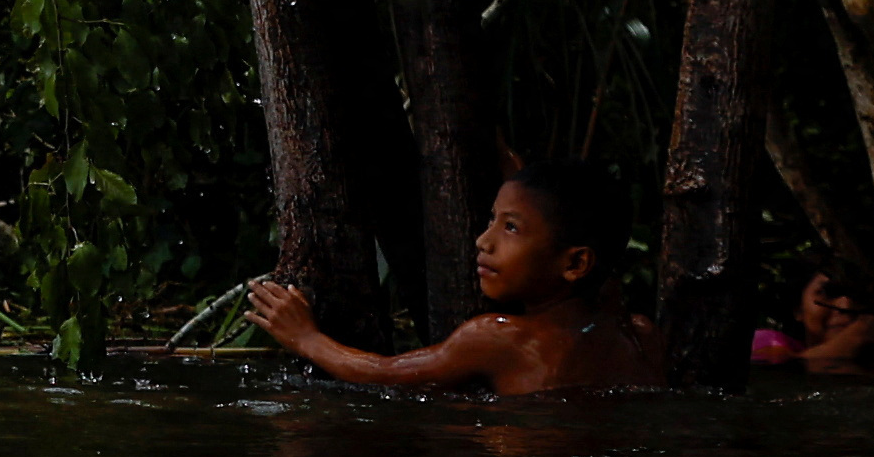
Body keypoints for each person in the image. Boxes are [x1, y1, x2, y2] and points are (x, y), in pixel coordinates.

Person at [246, 159, 664, 394]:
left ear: (575, 265)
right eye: (492, 221)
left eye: (511, 228)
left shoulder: (501, 339)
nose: (484, 240)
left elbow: (383, 372)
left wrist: (307, 338)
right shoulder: (641, 338)